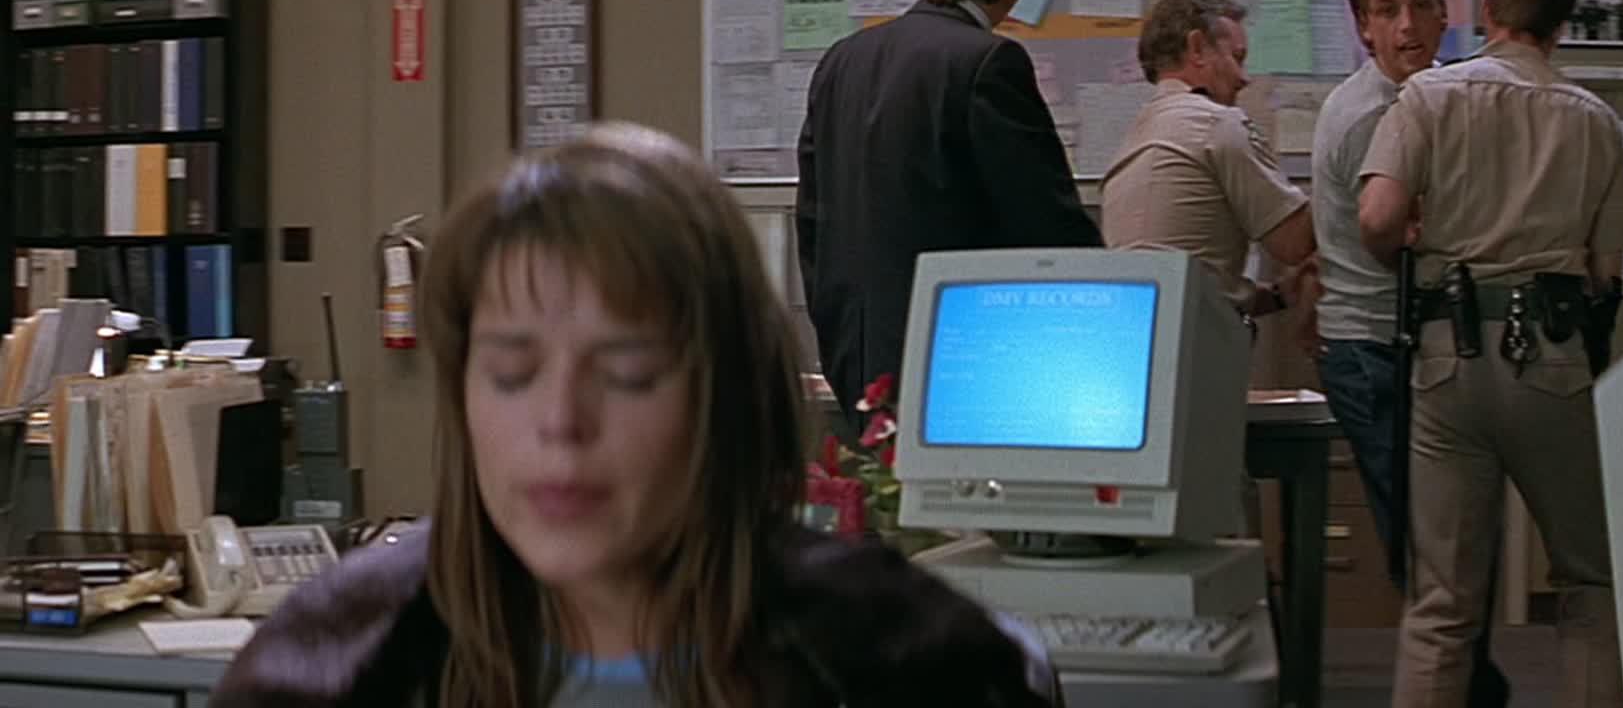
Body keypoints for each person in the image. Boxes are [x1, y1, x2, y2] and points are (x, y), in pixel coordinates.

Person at [210, 123, 1061, 707]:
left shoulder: (910, 661)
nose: (561, 420)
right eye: (511, 373)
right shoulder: (331, 666)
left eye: (627, 373)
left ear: (725, 400)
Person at [1357, 0, 1623, 708]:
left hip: (1447, 357)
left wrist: (1406, 244)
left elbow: (1376, 217)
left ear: (1487, 12)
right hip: (1552, 359)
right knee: (1591, 581)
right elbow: (1605, 272)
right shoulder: (1594, 119)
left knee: (1442, 602)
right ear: (1561, 28)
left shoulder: (1427, 96)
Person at [798, 0, 1100, 430]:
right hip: (963, 373)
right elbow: (1049, 229)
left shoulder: (842, 61)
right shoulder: (987, 63)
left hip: (858, 367)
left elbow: (813, 229)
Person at [1311, 0, 1509, 706]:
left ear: (1445, 12)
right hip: (1374, 346)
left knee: (1452, 537)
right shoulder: (1373, 113)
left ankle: (1467, 683)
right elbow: (1412, 235)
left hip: (1424, 340)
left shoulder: (1438, 95)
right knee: (1426, 546)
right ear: (1363, 26)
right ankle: (1467, 688)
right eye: (1388, 12)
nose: (1408, 27)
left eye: (1422, 6)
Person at [1100, 0, 1314, 316]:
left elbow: (1197, 282)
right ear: (1197, 47)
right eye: (1236, 57)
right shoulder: (1216, 125)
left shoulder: (1133, 141)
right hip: (1197, 339)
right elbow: (1294, 243)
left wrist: (1277, 296)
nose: (1243, 78)